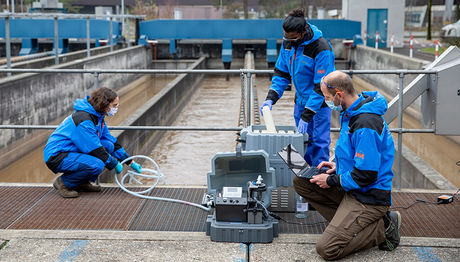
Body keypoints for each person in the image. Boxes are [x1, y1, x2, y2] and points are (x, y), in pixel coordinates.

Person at [293, 71, 401, 260]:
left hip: (368, 197)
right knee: (301, 181)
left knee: (326, 249)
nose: (326, 101)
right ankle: (346, 224)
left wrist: (331, 180)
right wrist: (337, 166)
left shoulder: (365, 123)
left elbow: (367, 175)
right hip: (353, 188)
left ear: (339, 95)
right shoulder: (351, 112)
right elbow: (357, 157)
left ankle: (384, 227)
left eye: (327, 97)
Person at [260, 8, 335, 167]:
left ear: (303, 32)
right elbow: (281, 73)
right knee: (302, 142)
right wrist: (271, 98)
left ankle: (319, 181)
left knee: (320, 143)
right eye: (286, 38)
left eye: (292, 38)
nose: (289, 41)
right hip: (300, 102)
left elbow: (321, 86)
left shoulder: (321, 48)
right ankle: (303, 180)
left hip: (320, 104)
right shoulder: (288, 44)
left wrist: (307, 116)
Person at [43, 87, 142, 198]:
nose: (116, 108)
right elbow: (94, 148)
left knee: (108, 145)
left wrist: (129, 161)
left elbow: (111, 141)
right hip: (57, 155)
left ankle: (81, 182)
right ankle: (63, 183)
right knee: (97, 164)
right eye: (114, 105)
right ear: (105, 104)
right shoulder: (84, 120)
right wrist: (113, 163)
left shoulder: (98, 117)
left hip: (72, 150)